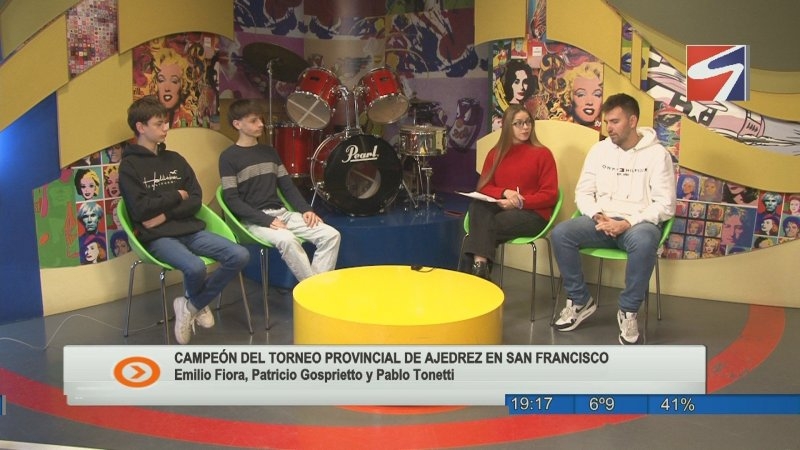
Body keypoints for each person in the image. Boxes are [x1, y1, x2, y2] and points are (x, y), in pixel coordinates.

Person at [119, 95, 250, 345]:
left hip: (188, 229)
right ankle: (196, 304)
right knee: (195, 267)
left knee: (240, 255)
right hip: (157, 237)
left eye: (166, 122)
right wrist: (175, 195)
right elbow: (140, 210)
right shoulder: (129, 166)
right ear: (140, 127)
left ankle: (191, 305)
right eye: (159, 123)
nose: (165, 128)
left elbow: (195, 199)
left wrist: (165, 213)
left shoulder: (175, 159)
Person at [551, 93, 675, 345]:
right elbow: (583, 192)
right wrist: (598, 215)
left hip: (637, 224)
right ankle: (580, 300)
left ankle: (628, 311)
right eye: (607, 122)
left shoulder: (657, 155)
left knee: (645, 242)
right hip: (601, 220)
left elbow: (665, 205)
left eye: (615, 121)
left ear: (633, 121)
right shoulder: (599, 150)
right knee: (561, 234)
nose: (609, 127)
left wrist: (628, 222)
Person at [219, 99, 340, 282]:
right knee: (288, 240)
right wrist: (266, 220)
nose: (261, 124)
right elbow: (232, 200)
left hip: (283, 214)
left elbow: (287, 186)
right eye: (253, 121)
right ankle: (313, 289)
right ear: (237, 124)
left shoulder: (270, 152)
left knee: (331, 235)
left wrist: (305, 209)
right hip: (255, 220)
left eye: (260, 119)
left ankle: (314, 286)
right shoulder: (228, 157)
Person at [460, 104, 558, 279]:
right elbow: (483, 187)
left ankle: (473, 281)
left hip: (533, 214)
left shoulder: (543, 154)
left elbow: (550, 195)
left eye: (528, 122)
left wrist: (519, 202)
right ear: (507, 126)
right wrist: (505, 192)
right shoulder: (495, 153)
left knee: (478, 232)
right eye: (518, 123)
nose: (525, 127)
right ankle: (480, 269)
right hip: (501, 208)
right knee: (477, 206)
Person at [562, 61, 603, 127]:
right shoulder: (560, 128)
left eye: (597, 95)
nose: (589, 102)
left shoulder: (609, 131)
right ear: (569, 98)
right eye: (581, 94)